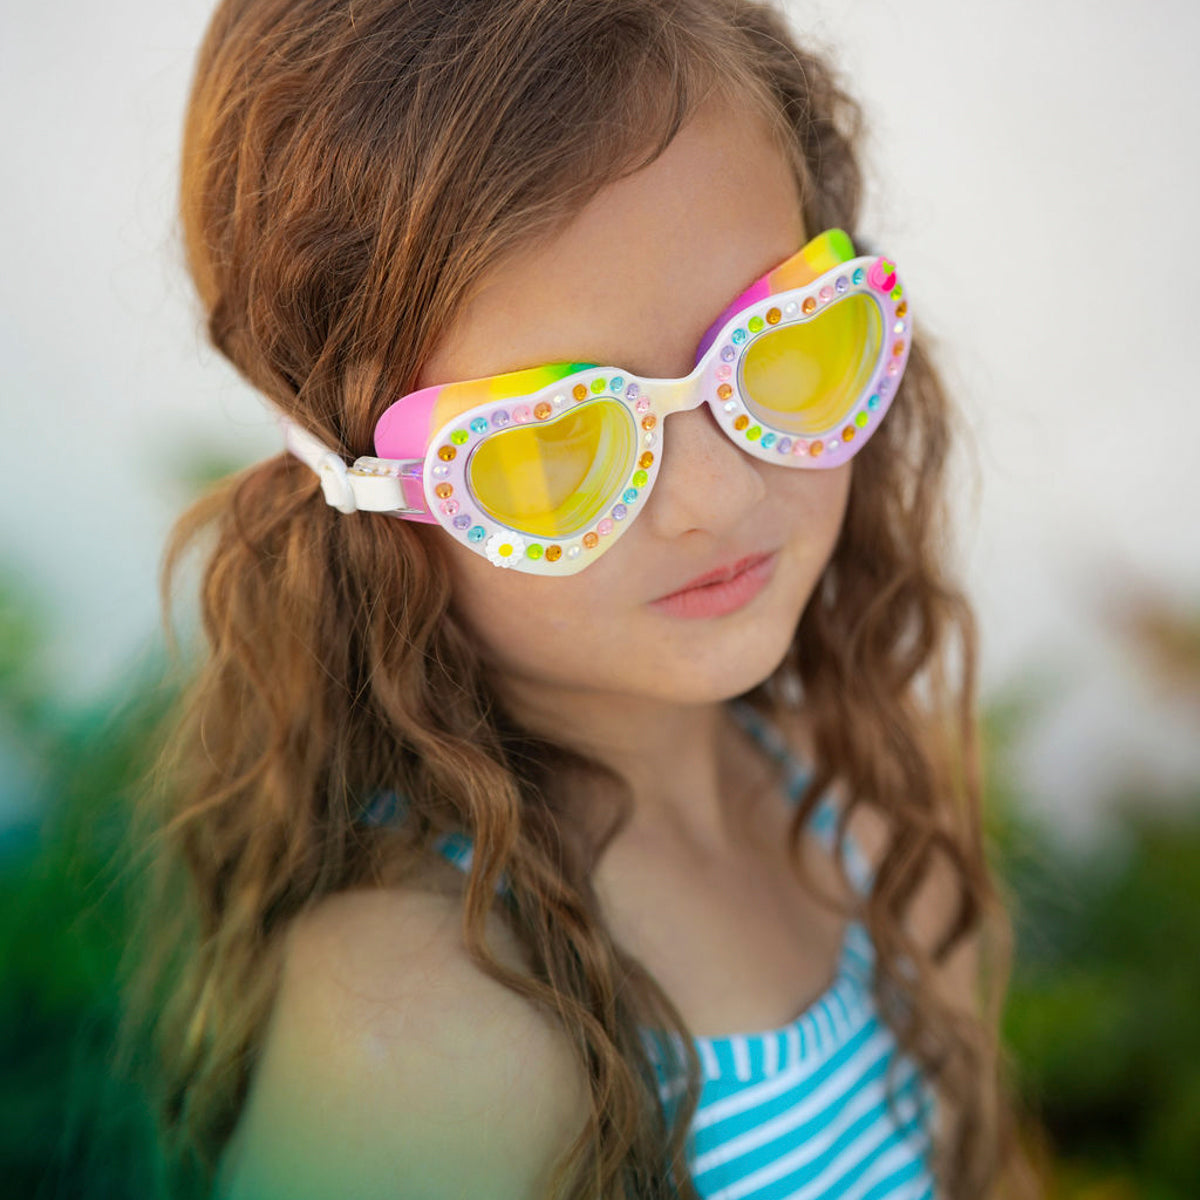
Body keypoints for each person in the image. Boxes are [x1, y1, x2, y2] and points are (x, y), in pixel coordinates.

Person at [123, 1, 1040, 1197]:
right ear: (360, 485)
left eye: (780, 344)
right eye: (557, 441)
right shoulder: (424, 1033)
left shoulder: (864, 796)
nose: (716, 493)